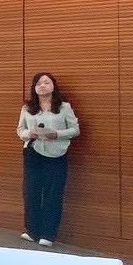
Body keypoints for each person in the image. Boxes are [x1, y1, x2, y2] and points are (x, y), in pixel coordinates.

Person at [17, 72, 80, 246]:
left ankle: (48, 234)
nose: (42, 86)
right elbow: (20, 130)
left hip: (57, 153)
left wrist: (57, 134)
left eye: (46, 82)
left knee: (53, 193)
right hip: (33, 151)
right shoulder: (27, 108)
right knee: (31, 191)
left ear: (53, 86)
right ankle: (32, 231)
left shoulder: (64, 107)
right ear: (34, 88)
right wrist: (29, 134)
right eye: (38, 83)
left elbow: (75, 130)